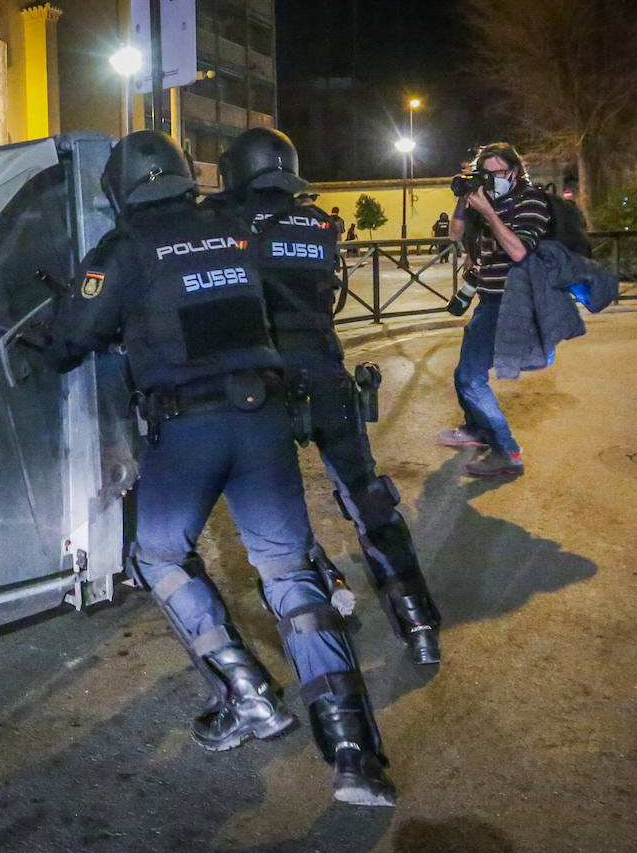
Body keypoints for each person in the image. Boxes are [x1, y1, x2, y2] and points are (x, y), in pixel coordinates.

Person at [47, 130, 397, 806]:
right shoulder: (236, 228)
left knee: (160, 556)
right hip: (264, 420)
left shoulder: (126, 248)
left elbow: (69, 342)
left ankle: (249, 696)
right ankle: (354, 754)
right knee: (291, 576)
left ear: (122, 190)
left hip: (189, 430)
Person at [214, 127, 443, 667]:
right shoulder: (319, 224)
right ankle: (418, 622)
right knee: (367, 496)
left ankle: (322, 590)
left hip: (265, 386)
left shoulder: (230, 222)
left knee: (277, 512)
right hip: (327, 376)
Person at [438, 142, 551, 478]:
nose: (490, 180)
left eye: (496, 173)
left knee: (471, 378)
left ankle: (507, 452)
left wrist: (489, 212)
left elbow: (518, 251)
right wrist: (465, 199)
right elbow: (455, 234)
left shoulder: (531, 200)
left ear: (513, 171)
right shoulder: (488, 197)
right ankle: (477, 430)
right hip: (489, 299)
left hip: (514, 303)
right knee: (465, 374)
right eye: (483, 174)